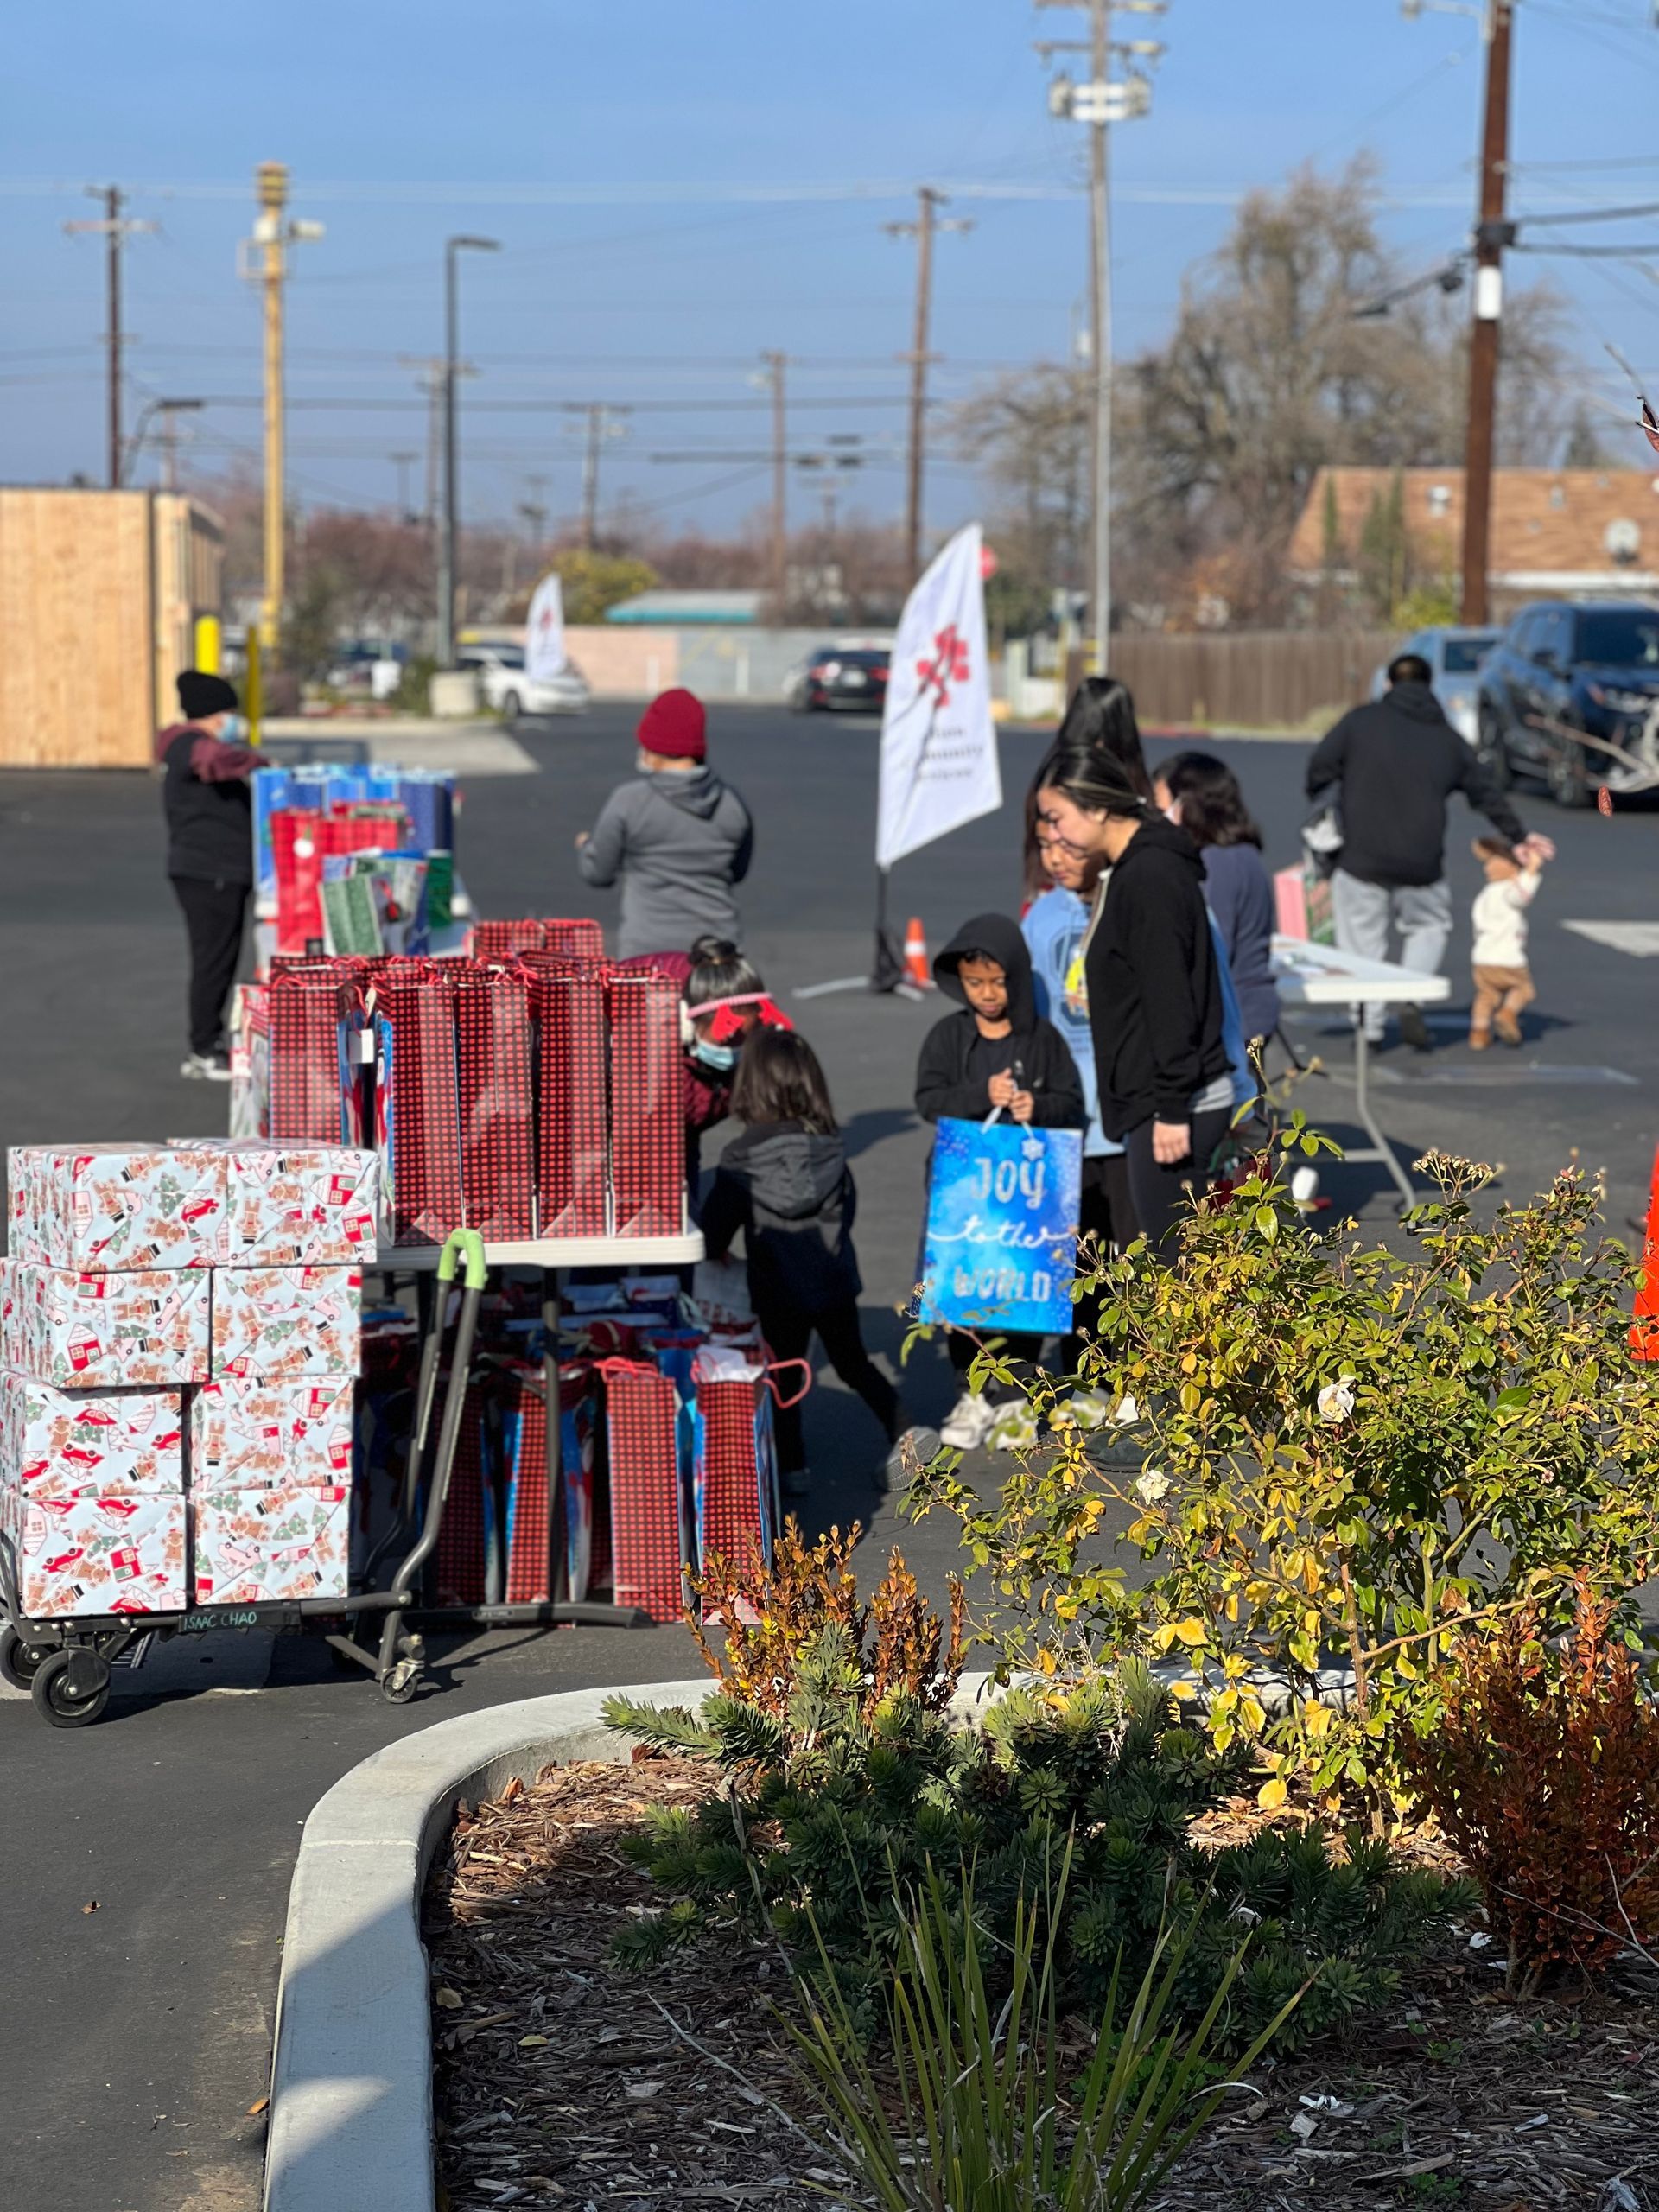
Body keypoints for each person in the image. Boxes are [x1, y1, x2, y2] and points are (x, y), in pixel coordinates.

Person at [701, 1027, 931, 1499]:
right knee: (852, 1361)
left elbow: (714, 1232)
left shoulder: (741, 1158)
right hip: (832, 1280)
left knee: (783, 1369)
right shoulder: (830, 1148)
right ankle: (904, 1431)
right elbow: (847, 1209)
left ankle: (793, 1467)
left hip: (775, 1286)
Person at [1033, 741, 1231, 1255]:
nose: (1051, 836)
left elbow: (1171, 1000)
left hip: (1169, 1105)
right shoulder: (1130, 869)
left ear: (1097, 808)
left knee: (1178, 1273)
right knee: (1179, 1269)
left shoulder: (1148, 876)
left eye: (1056, 819)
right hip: (1151, 1098)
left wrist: (1170, 1108)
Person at [1306, 652, 1553, 1050]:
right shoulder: (1446, 739)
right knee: (1428, 926)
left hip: (1360, 856)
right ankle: (1409, 993)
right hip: (1422, 861)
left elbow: (1319, 768)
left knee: (1361, 941)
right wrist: (1518, 836)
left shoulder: (1360, 723)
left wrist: (1332, 799)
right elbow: (1485, 791)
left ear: (1389, 684)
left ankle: (1368, 1026)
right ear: (1430, 686)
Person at [917, 914, 1085, 1449]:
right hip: (966, 1197)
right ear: (960, 983)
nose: (987, 994)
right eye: (975, 983)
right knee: (964, 1294)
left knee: (1025, 1295)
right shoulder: (948, 1036)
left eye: (998, 981)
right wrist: (977, 1095)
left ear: (1016, 977)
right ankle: (971, 1397)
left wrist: (1040, 1105)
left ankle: (1015, 1401)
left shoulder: (1044, 1041)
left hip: (1027, 1200)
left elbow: (1074, 1108)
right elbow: (928, 1101)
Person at [575, 688, 753, 959]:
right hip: (719, 959)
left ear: (657, 750)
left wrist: (587, 846)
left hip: (647, 958)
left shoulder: (630, 801)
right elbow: (737, 871)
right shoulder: (733, 804)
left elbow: (599, 873)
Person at [158, 668, 258, 1081]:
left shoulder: (188, 745)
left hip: (218, 870)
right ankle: (204, 1047)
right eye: (230, 712)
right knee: (213, 960)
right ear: (216, 714)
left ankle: (209, 1042)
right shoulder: (192, 746)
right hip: (209, 871)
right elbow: (212, 762)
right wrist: (258, 763)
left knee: (221, 957)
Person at [1153, 750, 1281, 1045]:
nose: (1156, 821)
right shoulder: (1242, 855)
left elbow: (1208, 949)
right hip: (1248, 1011)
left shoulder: (1217, 865)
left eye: (1161, 810)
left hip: (1233, 1021)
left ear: (1188, 805)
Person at [1469, 836, 1546, 1050]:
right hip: (1508, 957)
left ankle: (1479, 1033)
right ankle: (1507, 1013)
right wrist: (1531, 870)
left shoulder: (1484, 895)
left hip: (1483, 958)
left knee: (1486, 995)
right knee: (1523, 990)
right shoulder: (1507, 891)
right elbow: (1521, 896)